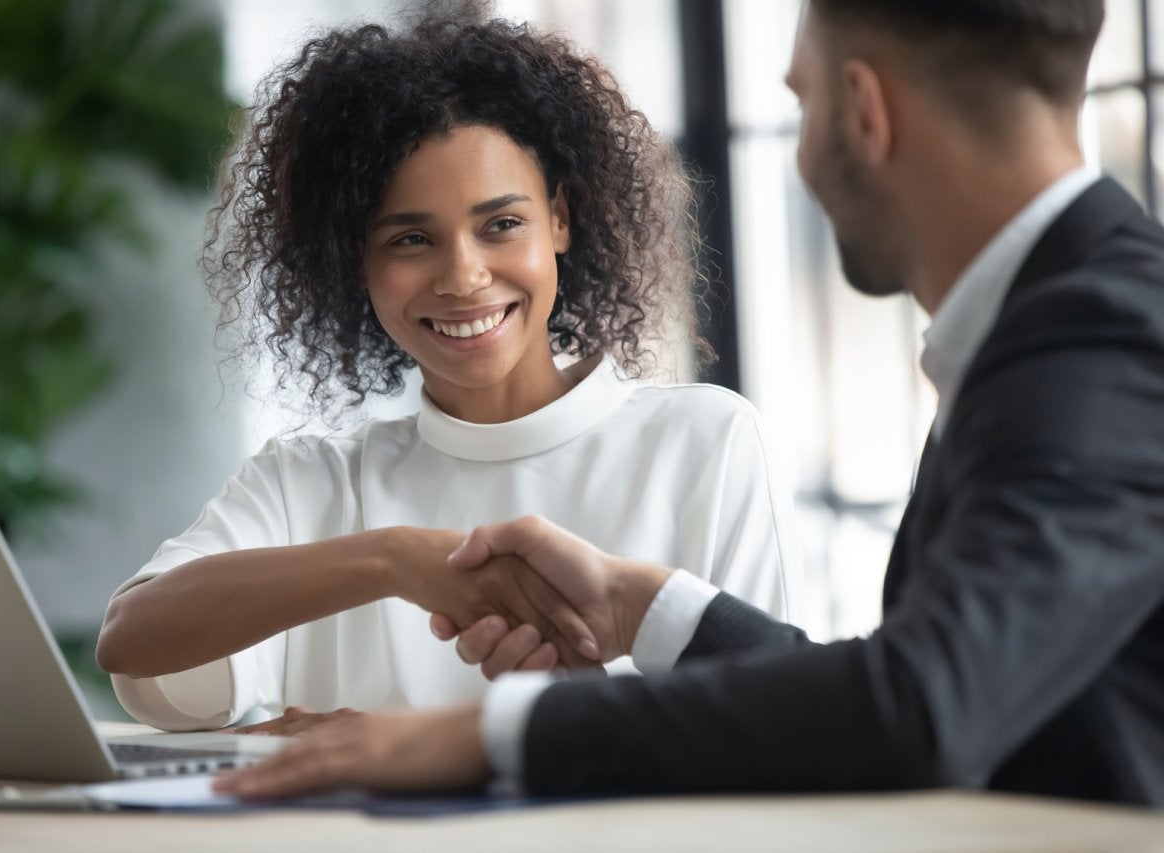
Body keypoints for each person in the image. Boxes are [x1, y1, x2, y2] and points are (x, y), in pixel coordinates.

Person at [213, 0, 1164, 808]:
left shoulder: (1098, 332)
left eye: (801, 101)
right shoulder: (1065, 315)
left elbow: (922, 706)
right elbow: (937, 679)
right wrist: (646, 606)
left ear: (864, 111)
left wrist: (496, 732)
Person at [95, 10, 803, 734]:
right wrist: (395, 559)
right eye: (411, 239)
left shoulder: (704, 444)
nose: (464, 277)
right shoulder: (311, 482)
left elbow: (770, 724)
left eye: (501, 225)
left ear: (559, 218)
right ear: (354, 261)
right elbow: (134, 646)